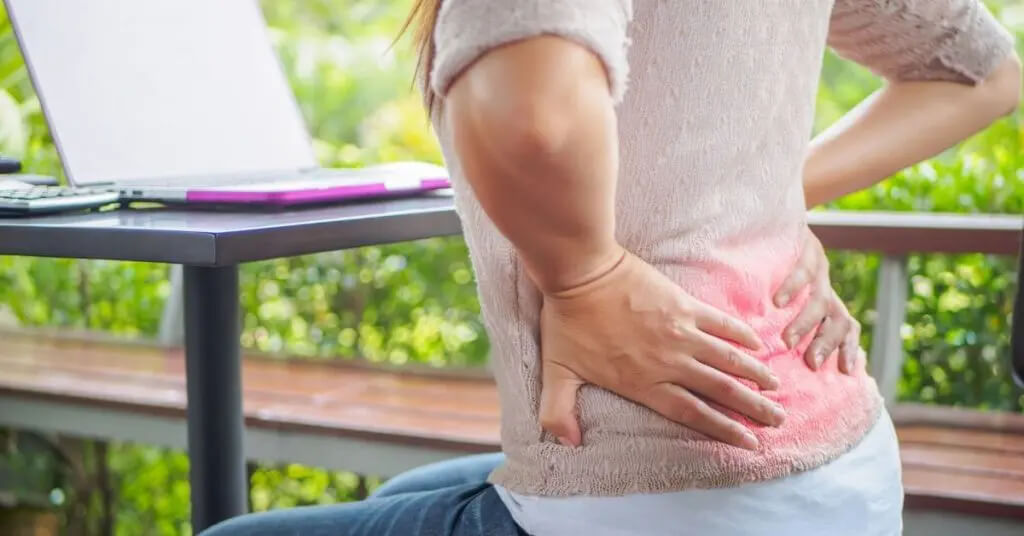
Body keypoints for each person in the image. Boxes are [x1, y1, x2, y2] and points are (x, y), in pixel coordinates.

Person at [204, 1, 1020, 535]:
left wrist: (585, 276)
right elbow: (983, 73)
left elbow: (535, 114)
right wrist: (758, 199)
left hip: (672, 497)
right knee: (398, 501)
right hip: (848, 476)